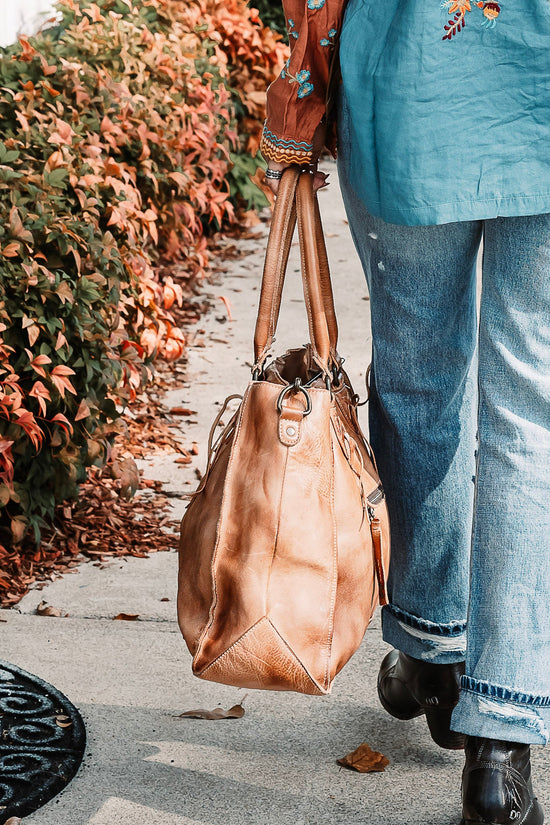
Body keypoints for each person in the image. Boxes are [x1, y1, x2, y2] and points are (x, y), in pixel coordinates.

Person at [261, 2, 550, 824]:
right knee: (529, 414)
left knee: (418, 384)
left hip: (414, 83)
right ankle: (501, 742)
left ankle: (431, 646)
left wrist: (306, 71)